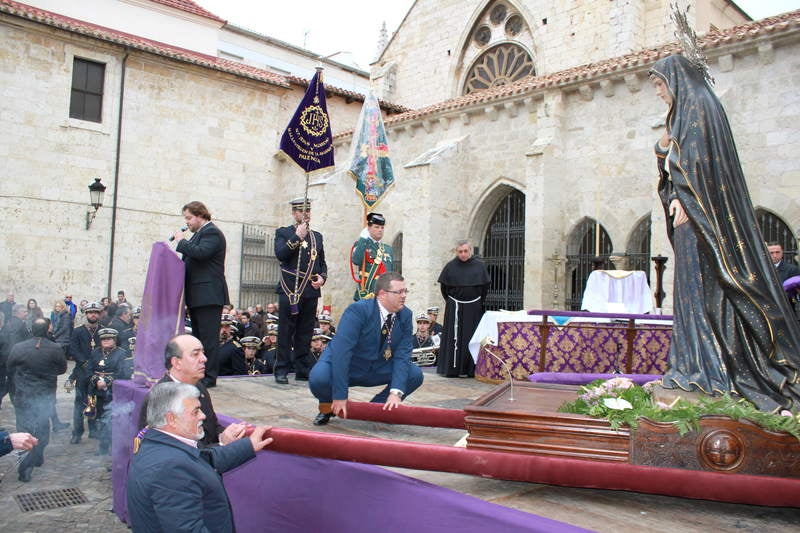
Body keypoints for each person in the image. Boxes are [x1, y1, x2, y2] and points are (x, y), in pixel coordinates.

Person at [649, 54, 800, 412]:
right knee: (690, 296)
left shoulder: (699, 106)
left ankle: (709, 372)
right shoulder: (687, 111)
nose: (657, 92)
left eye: (658, 84)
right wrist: (663, 150)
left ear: (676, 80)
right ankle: (693, 368)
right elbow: (680, 162)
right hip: (693, 221)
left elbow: (700, 166)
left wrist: (687, 196)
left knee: (704, 295)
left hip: (702, 222)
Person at [127, 382, 273, 533]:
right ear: (172, 419)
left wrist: (248, 445)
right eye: (195, 412)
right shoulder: (170, 467)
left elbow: (204, 459)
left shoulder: (158, 442)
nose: (203, 416)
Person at [309, 272, 424, 426]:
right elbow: (342, 353)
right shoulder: (358, 311)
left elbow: (403, 355)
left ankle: (375, 410)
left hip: (378, 366)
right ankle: (327, 407)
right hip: (350, 365)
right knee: (319, 377)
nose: (404, 296)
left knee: (414, 374)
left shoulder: (405, 315)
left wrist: (396, 393)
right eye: (399, 292)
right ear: (382, 294)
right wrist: (340, 395)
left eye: (405, 291)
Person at [137, 334, 248, 447]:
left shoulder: (198, 386)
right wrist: (222, 444)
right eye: (195, 354)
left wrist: (229, 433)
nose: (204, 359)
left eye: (203, 353)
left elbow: (211, 427)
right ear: (176, 363)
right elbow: (179, 453)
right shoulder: (161, 399)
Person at [173, 200, 230, 389]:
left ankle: (209, 377)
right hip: (198, 295)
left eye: (189, 218)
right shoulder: (199, 235)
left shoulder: (211, 232)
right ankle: (200, 374)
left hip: (208, 295)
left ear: (200, 215)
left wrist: (182, 241)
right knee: (199, 338)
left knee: (208, 339)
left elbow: (201, 253)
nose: (187, 222)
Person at [6, 318, 68, 481]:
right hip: (42, 396)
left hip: (24, 396)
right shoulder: (55, 348)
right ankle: (29, 465)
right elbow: (62, 369)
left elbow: (10, 367)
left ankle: (31, 463)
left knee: (25, 430)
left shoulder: (18, 347)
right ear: (48, 329)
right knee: (41, 430)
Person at [274, 198, 327, 384]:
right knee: (286, 331)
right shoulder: (283, 232)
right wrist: (297, 237)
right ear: (294, 213)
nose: (306, 214)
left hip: (310, 290)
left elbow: (322, 264)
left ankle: (302, 368)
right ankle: (281, 369)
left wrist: (322, 277)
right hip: (290, 288)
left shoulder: (317, 237)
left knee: (305, 332)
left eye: (308, 210)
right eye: (302, 211)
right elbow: (281, 254)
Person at [436, 240, 490, 378]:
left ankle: (470, 369)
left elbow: (484, 289)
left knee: (471, 337)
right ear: (456, 252)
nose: (463, 254)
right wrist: (454, 302)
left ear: (470, 251)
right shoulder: (450, 267)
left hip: (474, 307)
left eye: (466, 251)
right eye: (460, 251)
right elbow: (444, 289)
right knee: (454, 339)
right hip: (455, 306)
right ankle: (452, 369)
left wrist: (475, 302)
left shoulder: (479, 266)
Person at [86, 327, 128, 455]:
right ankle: (102, 446)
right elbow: (88, 370)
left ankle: (114, 447)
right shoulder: (95, 352)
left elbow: (122, 372)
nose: (106, 341)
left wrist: (107, 381)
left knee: (112, 418)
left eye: (109, 339)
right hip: (96, 390)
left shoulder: (121, 353)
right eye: (103, 339)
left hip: (114, 390)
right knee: (98, 418)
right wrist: (96, 380)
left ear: (114, 340)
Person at [67, 301, 102, 444]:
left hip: (98, 371)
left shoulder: (103, 331)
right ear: (86, 314)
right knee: (80, 403)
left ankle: (93, 430)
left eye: (95, 312)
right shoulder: (78, 331)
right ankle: (77, 432)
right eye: (90, 312)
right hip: (81, 372)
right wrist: (85, 363)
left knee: (94, 401)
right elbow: (73, 350)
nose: (93, 315)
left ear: (99, 314)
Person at [351, 212, 393, 300]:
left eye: (382, 227)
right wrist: (362, 239)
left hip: (384, 295)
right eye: (376, 227)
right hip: (367, 293)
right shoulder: (361, 245)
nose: (380, 230)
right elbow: (356, 260)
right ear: (368, 228)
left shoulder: (388, 249)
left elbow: (391, 273)